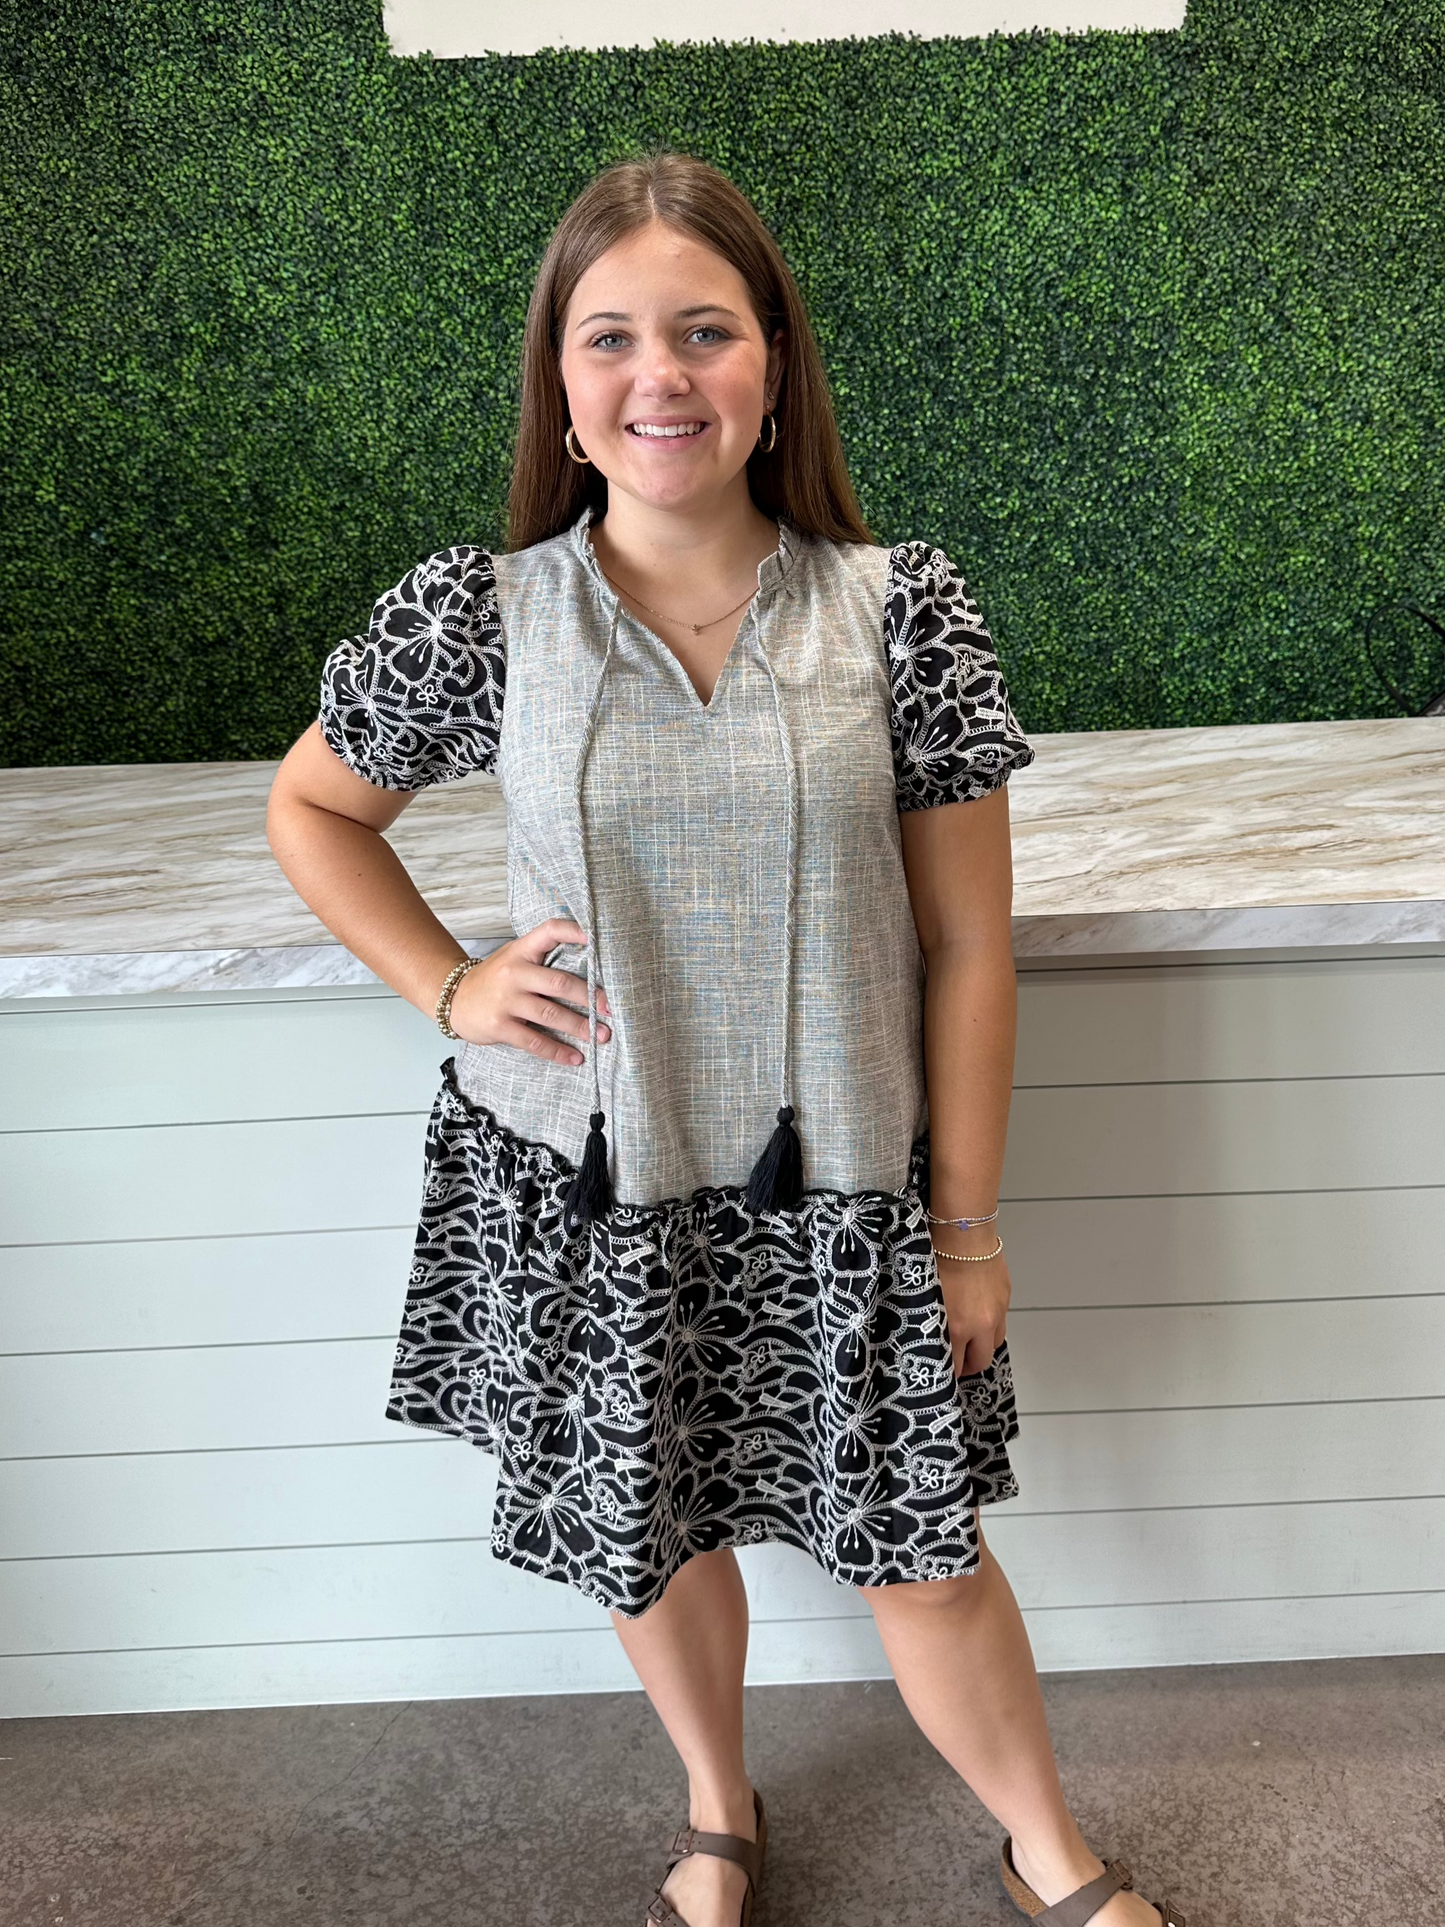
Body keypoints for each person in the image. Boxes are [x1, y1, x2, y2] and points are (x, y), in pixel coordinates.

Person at [267, 152, 1184, 1927]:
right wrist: (449, 985)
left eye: (704, 330)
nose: (660, 375)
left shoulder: (900, 609)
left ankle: (1048, 1848)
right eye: (611, 337)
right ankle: (717, 1805)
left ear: (773, 363)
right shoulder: (479, 614)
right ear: (562, 382)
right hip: (598, 1184)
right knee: (651, 1528)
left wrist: (967, 1224)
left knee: (923, 1555)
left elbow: (967, 946)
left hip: (842, 1189)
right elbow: (314, 809)